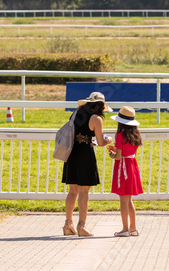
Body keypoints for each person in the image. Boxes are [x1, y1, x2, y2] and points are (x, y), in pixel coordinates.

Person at [62, 92, 113, 237]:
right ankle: (81, 226)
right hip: (85, 155)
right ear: (100, 106)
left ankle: (68, 224)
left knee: (72, 191)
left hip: (71, 153)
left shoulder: (76, 113)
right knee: (84, 192)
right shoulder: (96, 119)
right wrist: (108, 139)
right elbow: (101, 142)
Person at [107, 106, 143, 237]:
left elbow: (118, 157)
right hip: (132, 166)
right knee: (129, 200)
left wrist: (112, 153)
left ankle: (125, 229)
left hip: (123, 168)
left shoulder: (121, 136)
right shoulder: (135, 135)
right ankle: (133, 228)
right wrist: (117, 150)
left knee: (123, 200)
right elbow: (127, 152)